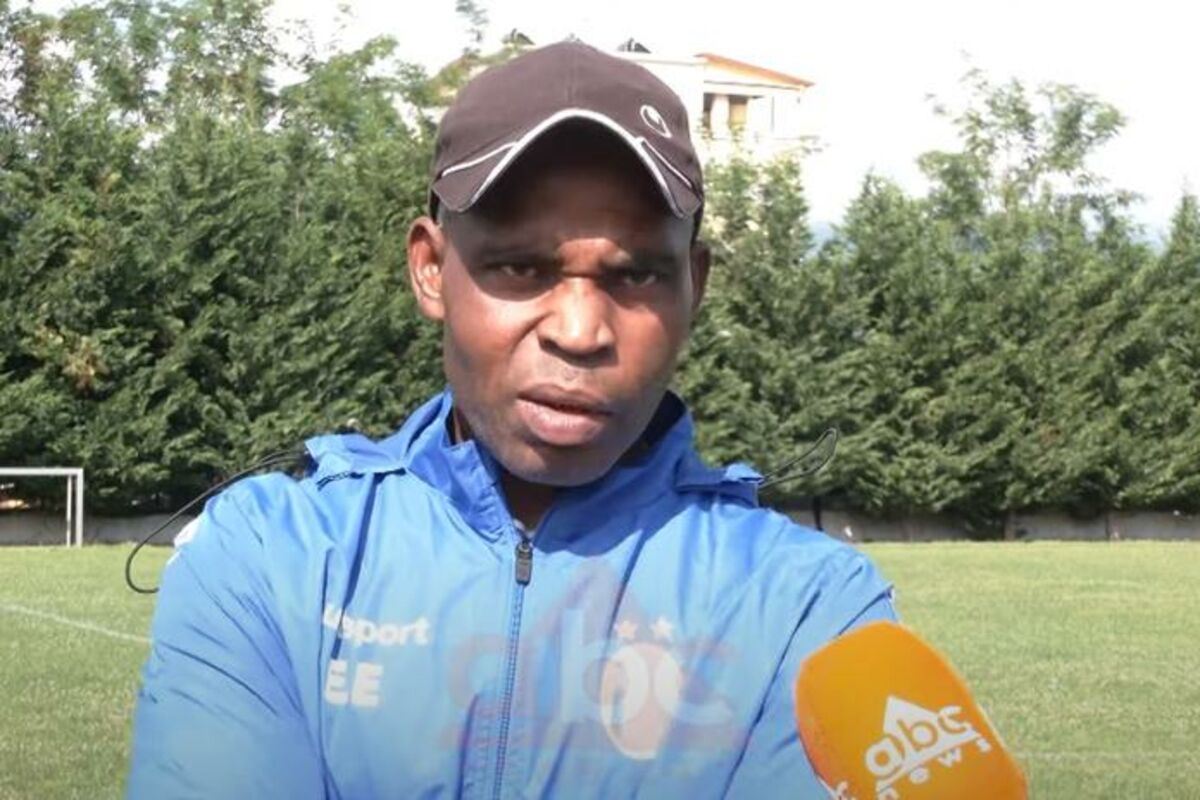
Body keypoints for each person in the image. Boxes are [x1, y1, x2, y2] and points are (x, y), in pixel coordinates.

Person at [127, 41, 896, 798]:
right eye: (522, 267)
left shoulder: (813, 613)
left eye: (636, 274)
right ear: (432, 268)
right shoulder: (269, 557)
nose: (580, 331)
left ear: (693, 287)